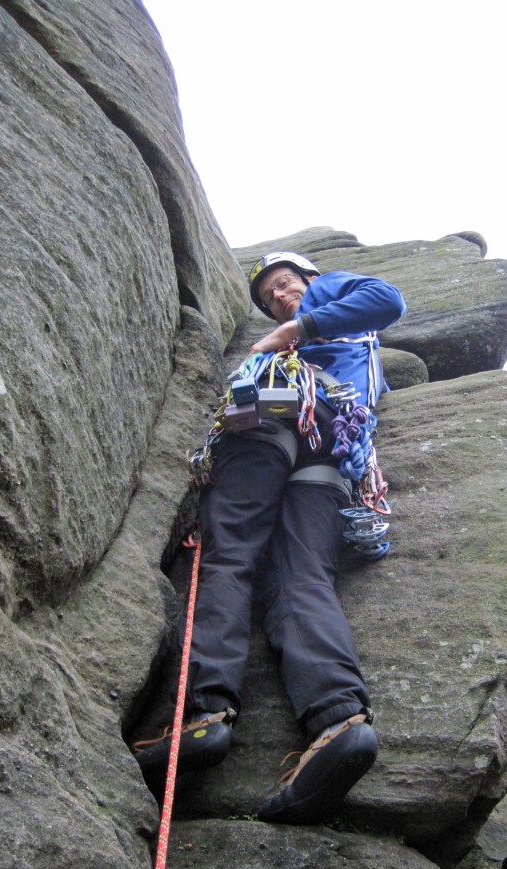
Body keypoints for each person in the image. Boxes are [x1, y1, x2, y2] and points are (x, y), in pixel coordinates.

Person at [134, 251, 406, 824]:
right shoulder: (348, 347)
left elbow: (389, 300)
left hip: (280, 411)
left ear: (311, 280)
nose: (280, 298)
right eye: (269, 299)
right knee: (303, 577)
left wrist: (292, 329)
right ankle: (338, 724)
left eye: (286, 285)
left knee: (229, 554)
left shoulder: (327, 297)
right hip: (332, 448)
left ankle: (205, 715)